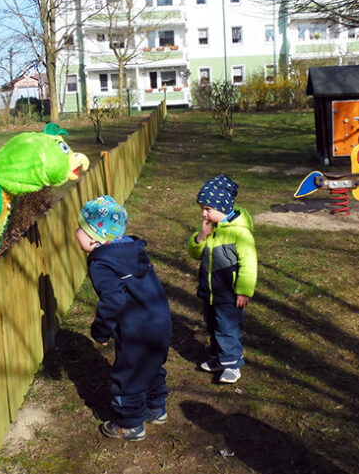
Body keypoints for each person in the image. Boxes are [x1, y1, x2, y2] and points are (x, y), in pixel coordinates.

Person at [76, 195, 172, 442]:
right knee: (151, 366)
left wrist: (101, 331)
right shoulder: (132, 249)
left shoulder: (101, 264)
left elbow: (113, 300)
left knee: (128, 375)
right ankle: (156, 408)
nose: (76, 233)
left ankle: (130, 424)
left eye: (81, 228)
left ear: (94, 237)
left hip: (136, 330)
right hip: (159, 321)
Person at [188, 175, 257, 384]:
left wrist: (243, 291)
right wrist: (200, 237)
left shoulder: (240, 233)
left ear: (223, 207)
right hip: (210, 292)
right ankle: (220, 358)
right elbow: (194, 253)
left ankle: (232, 364)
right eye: (203, 209)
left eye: (208, 209)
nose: (204, 214)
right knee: (212, 325)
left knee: (227, 328)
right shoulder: (211, 228)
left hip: (229, 294)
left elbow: (249, 264)